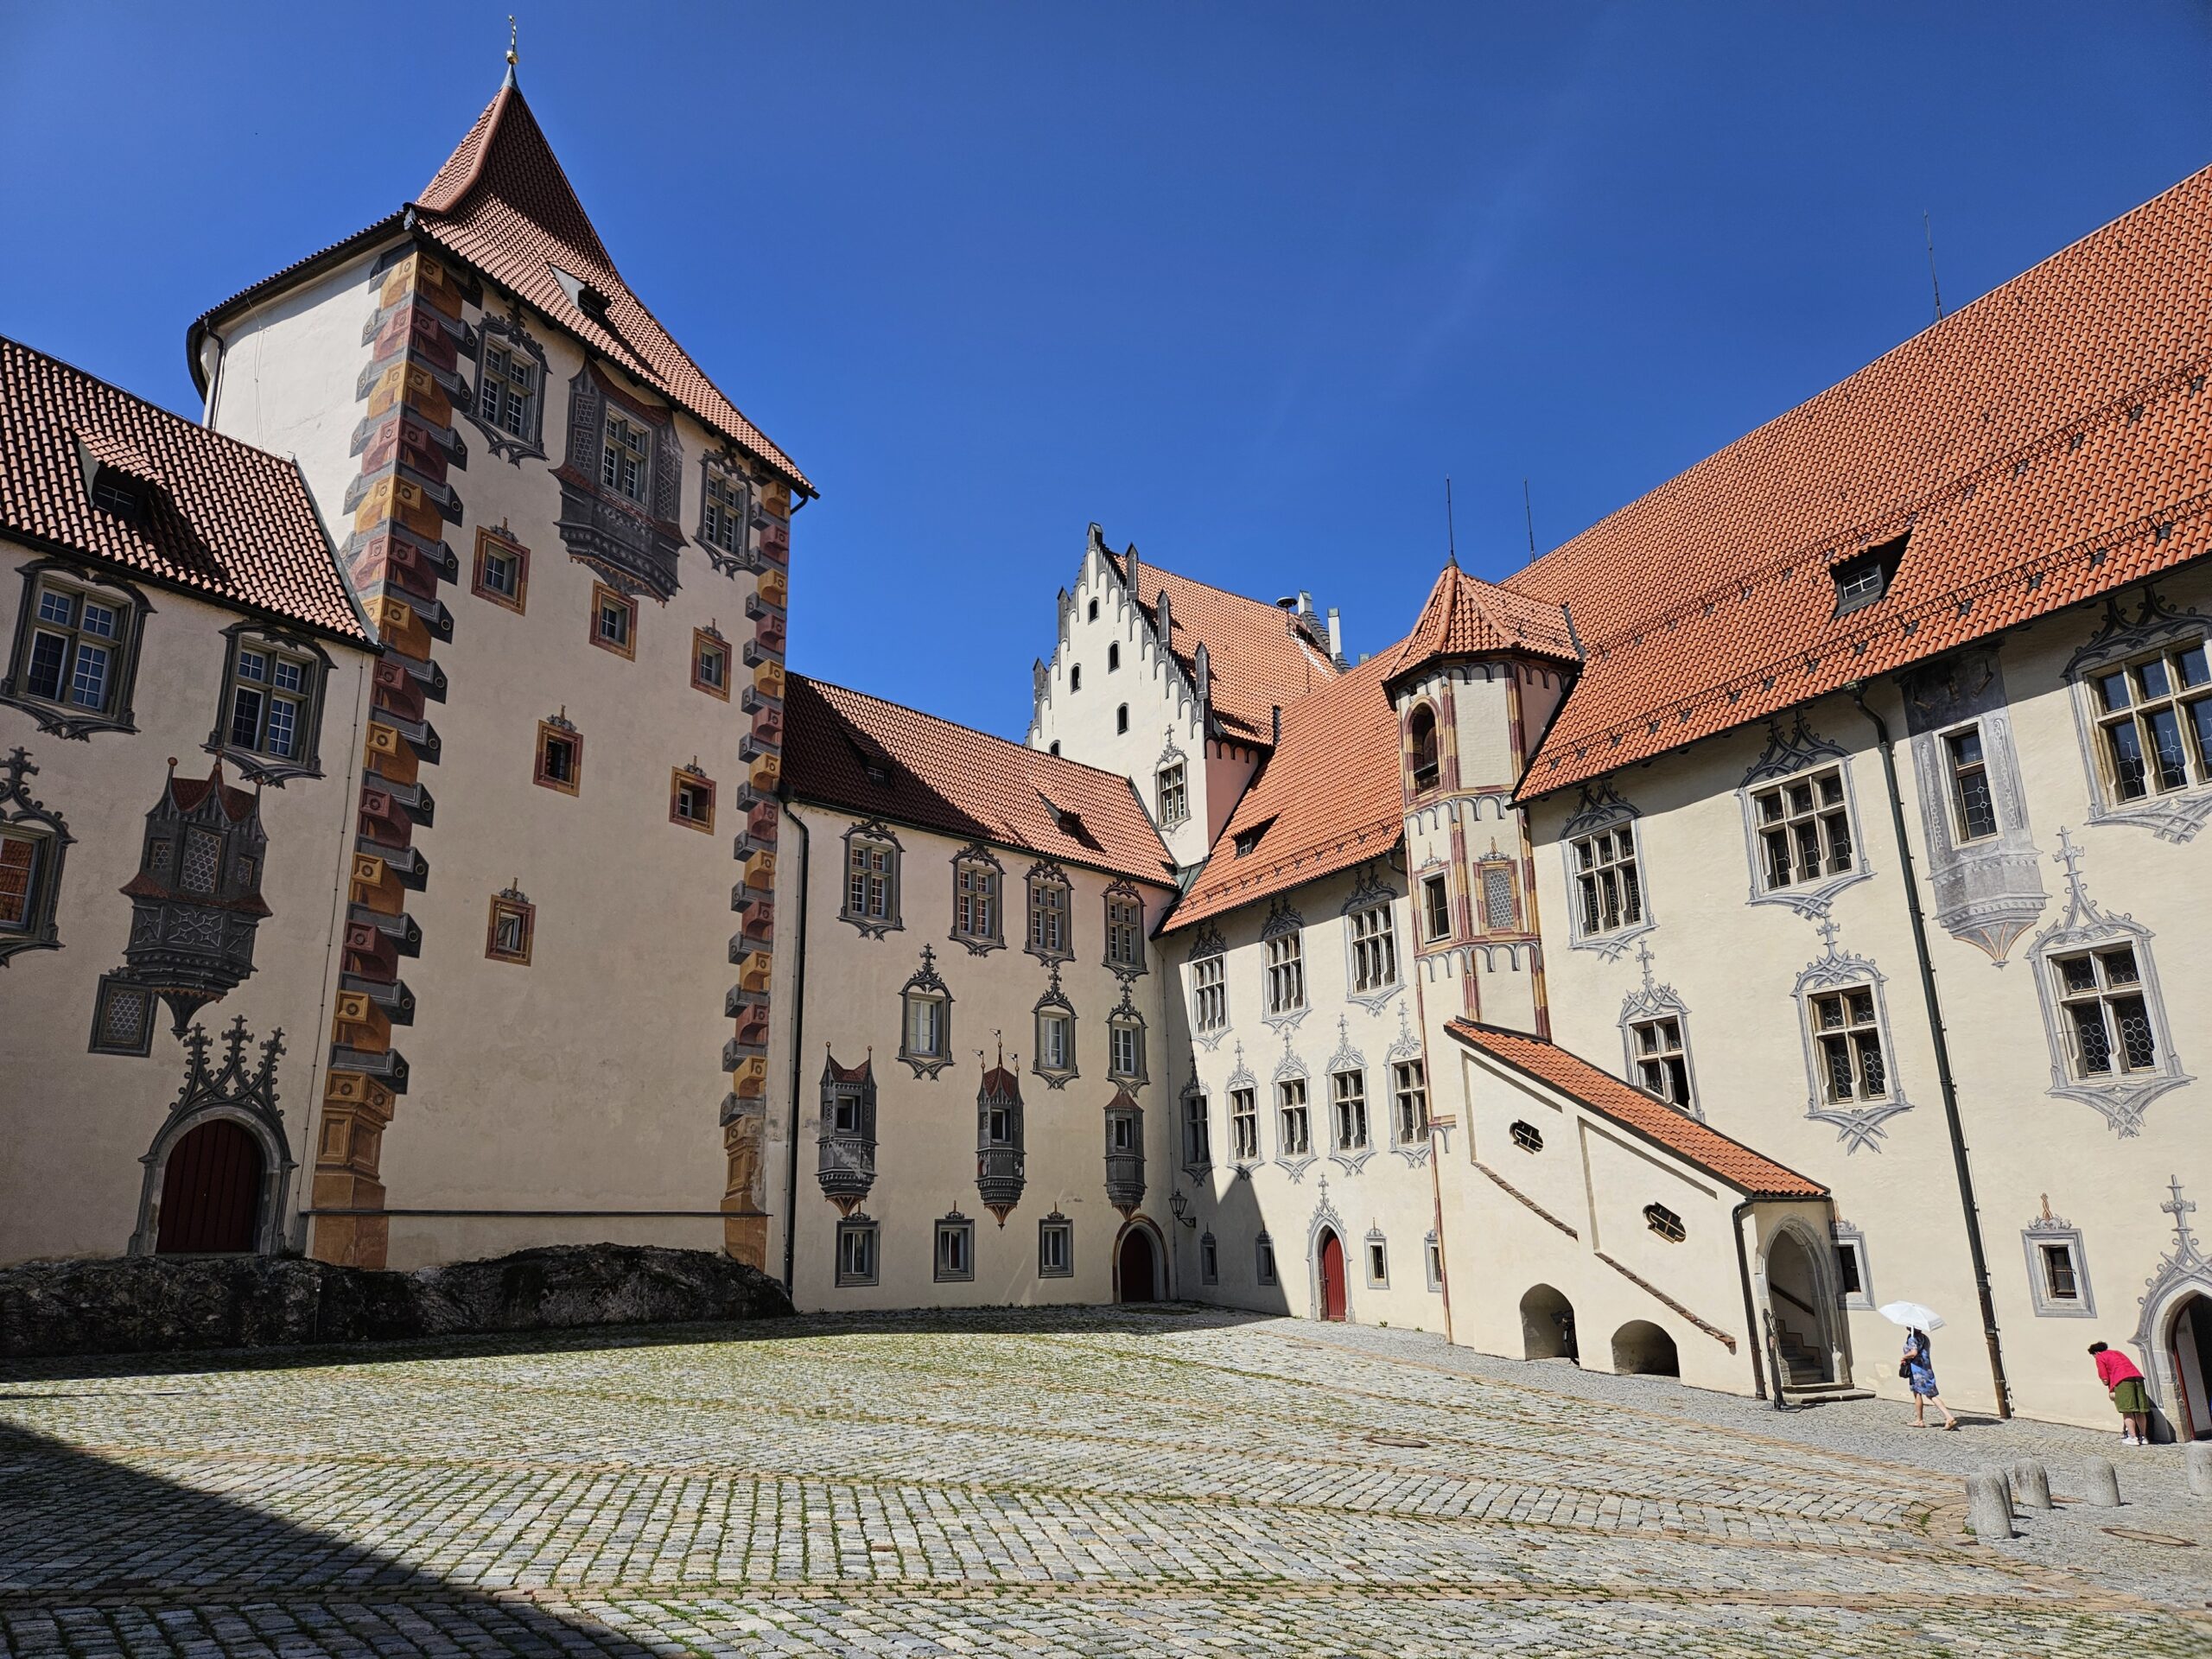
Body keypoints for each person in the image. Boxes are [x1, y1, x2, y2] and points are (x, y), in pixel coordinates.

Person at [2089, 1341, 2152, 1445]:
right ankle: (2143, 1437)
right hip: (2138, 1378)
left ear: (2095, 1353)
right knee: (2140, 1410)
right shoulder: (2117, 1353)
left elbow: (2104, 1377)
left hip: (2122, 1381)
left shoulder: (2100, 1356)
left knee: (2127, 1410)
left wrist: (2108, 1385)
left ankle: (2133, 1437)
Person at [1902, 1327, 1958, 1429]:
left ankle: (1945, 1418)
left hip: (1917, 1371)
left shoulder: (1912, 1338)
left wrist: (1904, 1357)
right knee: (1930, 1395)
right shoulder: (1925, 1338)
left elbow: (1914, 1352)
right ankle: (1924, 1419)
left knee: (1920, 1394)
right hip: (1926, 1369)